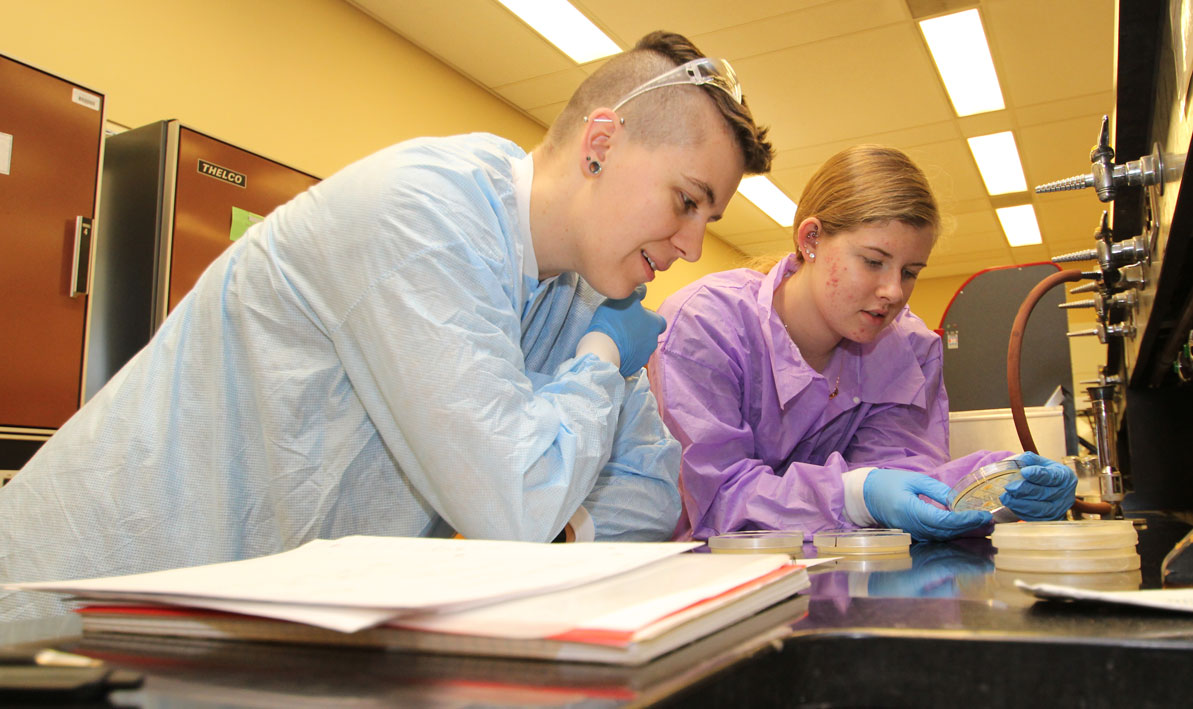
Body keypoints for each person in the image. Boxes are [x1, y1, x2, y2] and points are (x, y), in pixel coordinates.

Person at [0, 31, 774, 620]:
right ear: (601, 144)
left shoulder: (584, 290)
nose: (692, 246)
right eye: (685, 200)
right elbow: (514, 503)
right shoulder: (424, 216)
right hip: (71, 607)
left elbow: (646, 492)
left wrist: (556, 527)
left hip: (252, 633)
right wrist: (600, 361)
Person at [648, 145, 1076, 543]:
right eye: (873, 262)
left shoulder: (907, 349)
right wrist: (852, 494)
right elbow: (717, 498)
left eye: (910, 271)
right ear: (810, 239)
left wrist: (989, 484)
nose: (894, 291)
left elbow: (905, 479)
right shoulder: (705, 325)